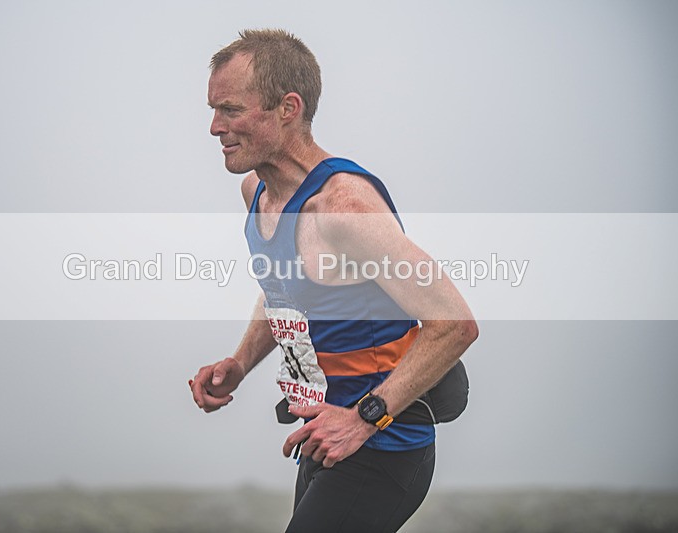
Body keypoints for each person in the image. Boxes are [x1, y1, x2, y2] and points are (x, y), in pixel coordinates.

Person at [189, 29, 478, 532]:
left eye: (231, 109)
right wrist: (240, 362)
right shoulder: (255, 191)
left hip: (384, 443)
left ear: (288, 107)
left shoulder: (344, 208)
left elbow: (454, 324)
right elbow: (285, 291)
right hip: (326, 437)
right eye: (213, 109)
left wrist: (363, 418)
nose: (215, 126)